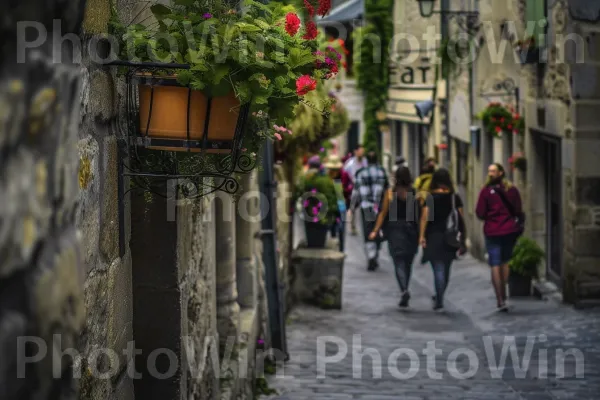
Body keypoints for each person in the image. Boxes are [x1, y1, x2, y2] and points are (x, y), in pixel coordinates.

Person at [369, 166, 419, 307]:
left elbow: (383, 213)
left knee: (398, 261)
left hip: (395, 230)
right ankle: (405, 287)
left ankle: (404, 289)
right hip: (411, 231)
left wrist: (375, 230)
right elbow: (420, 214)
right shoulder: (414, 193)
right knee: (408, 262)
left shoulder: (390, 193)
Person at [476, 163, 523, 312]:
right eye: (489, 171)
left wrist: (491, 217)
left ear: (501, 173)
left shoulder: (485, 191)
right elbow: (518, 209)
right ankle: (504, 293)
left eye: (493, 171)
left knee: (495, 263)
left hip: (493, 231)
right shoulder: (512, 190)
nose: (490, 173)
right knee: (505, 261)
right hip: (509, 230)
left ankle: (499, 299)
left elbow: (480, 213)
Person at [418, 168, 467, 311]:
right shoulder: (454, 197)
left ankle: (439, 298)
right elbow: (460, 219)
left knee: (438, 269)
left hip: (434, 236)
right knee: (446, 269)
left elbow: (424, 218)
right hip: (450, 237)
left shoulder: (430, 198)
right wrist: (462, 237)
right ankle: (440, 295)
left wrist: (421, 236)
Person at [349, 151, 389, 271]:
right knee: (378, 229)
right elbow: (386, 190)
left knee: (368, 231)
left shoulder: (361, 173)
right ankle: (375, 253)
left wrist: (352, 206)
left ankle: (371, 256)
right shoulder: (382, 172)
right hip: (379, 207)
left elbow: (356, 191)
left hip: (366, 206)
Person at [325, 155, 347, 251]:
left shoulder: (344, 175)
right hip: (331, 204)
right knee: (331, 226)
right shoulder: (326, 177)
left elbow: (348, 189)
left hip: (341, 204)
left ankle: (340, 247)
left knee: (341, 226)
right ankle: (333, 241)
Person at [343, 146, 367, 235]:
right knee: (352, 207)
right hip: (354, 188)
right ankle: (353, 226)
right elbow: (345, 174)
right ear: (355, 151)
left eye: (362, 151)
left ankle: (366, 226)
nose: (362, 153)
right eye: (360, 151)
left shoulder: (365, 161)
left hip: (364, 187)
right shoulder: (350, 163)